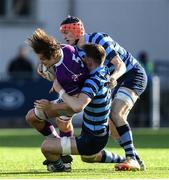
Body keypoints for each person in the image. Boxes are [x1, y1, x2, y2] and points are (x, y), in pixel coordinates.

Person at [25, 29, 125, 169]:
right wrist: (48, 70)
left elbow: (76, 105)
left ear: (53, 55)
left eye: (42, 59)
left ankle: (61, 164)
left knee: (55, 133)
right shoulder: (64, 48)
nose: (41, 63)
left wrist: (54, 98)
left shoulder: (71, 74)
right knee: (32, 117)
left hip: (78, 103)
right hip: (90, 122)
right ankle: (123, 158)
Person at [59, 16, 148, 171]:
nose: (64, 36)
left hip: (132, 75)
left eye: (67, 32)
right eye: (63, 33)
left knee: (116, 113)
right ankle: (135, 158)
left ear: (77, 30)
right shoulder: (77, 51)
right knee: (111, 125)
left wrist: (113, 78)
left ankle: (132, 159)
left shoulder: (98, 38)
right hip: (112, 81)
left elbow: (120, 65)